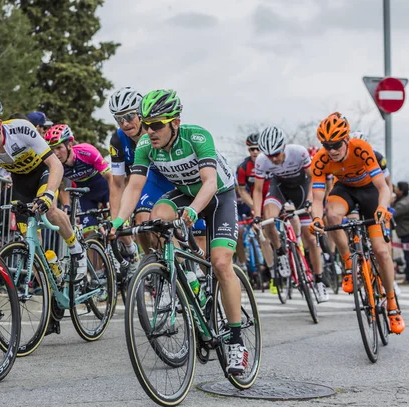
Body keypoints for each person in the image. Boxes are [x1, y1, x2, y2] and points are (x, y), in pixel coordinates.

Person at [109, 89, 248, 374]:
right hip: (184, 193)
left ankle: (236, 341)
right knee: (156, 218)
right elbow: (134, 186)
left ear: (175, 121)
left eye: (157, 124)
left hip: (219, 195)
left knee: (221, 263)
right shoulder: (147, 144)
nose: (149, 131)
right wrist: (117, 222)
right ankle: (183, 277)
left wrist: (194, 212)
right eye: (146, 124)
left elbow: (209, 183)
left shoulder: (197, 137)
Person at [0, 93, 87, 283]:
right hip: (20, 182)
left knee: (51, 210)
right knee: (30, 243)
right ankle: (48, 285)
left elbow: (56, 165)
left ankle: (76, 250)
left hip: (43, 172)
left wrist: (47, 194)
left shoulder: (21, 130)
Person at [309, 112, 404, 334]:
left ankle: (391, 304)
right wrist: (315, 219)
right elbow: (316, 198)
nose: (331, 150)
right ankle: (349, 265)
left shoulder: (361, 148)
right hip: (345, 191)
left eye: (335, 144)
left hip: (370, 191)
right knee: (331, 216)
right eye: (326, 145)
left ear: (346, 140)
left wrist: (382, 207)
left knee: (381, 251)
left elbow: (383, 188)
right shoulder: (321, 160)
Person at [252, 127, 328, 302]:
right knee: (268, 220)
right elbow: (257, 191)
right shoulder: (262, 161)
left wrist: (310, 201)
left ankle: (319, 280)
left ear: (284, 146)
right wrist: (257, 216)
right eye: (270, 156)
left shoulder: (299, 152)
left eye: (277, 154)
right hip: (279, 188)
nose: (274, 159)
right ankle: (280, 252)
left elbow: (314, 179)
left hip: (301, 189)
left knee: (310, 237)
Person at [108, 87, 176, 274]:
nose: (125, 123)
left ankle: (180, 266)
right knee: (142, 224)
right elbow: (117, 183)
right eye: (119, 119)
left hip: (170, 178)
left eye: (129, 116)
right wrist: (116, 220)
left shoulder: (156, 129)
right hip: (146, 180)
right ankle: (154, 268)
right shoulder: (117, 140)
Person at [44, 124, 112, 233]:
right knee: (89, 233)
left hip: (105, 190)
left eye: (59, 147)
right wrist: (67, 205)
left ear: (69, 145)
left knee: (117, 228)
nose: (55, 153)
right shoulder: (56, 165)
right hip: (86, 197)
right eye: (52, 150)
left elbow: (110, 177)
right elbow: (64, 187)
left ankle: (130, 248)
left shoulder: (87, 152)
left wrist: (114, 198)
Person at [235, 132, 271, 285]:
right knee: (239, 233)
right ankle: (245, 265)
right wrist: (255, 208)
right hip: (251, 201)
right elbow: (242, 191)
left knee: (269, 233)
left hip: (271, 198)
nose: (255, 152)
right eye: (252, 149)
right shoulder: (243, 167)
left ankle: (272, 265)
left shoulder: (272, 162)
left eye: (258, 149)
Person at [393, 182, 409, 285]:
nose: (395, 190)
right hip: (405, 232)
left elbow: (392, 213)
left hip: (406, 232)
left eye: (397, 188)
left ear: (401, 191)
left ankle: (408, 278)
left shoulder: (403, 204)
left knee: (407, 256)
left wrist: (390, 202)